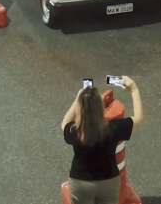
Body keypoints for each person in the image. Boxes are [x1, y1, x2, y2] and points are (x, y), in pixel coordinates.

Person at [61, 76, 143, 204]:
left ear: (80, 108)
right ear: (101, 108)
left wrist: (79, 98)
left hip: (80, 183)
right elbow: (139, 118)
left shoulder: (75, 131)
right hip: (109, 181)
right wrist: (134, 90)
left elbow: (65, 122)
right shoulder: (114, 128)